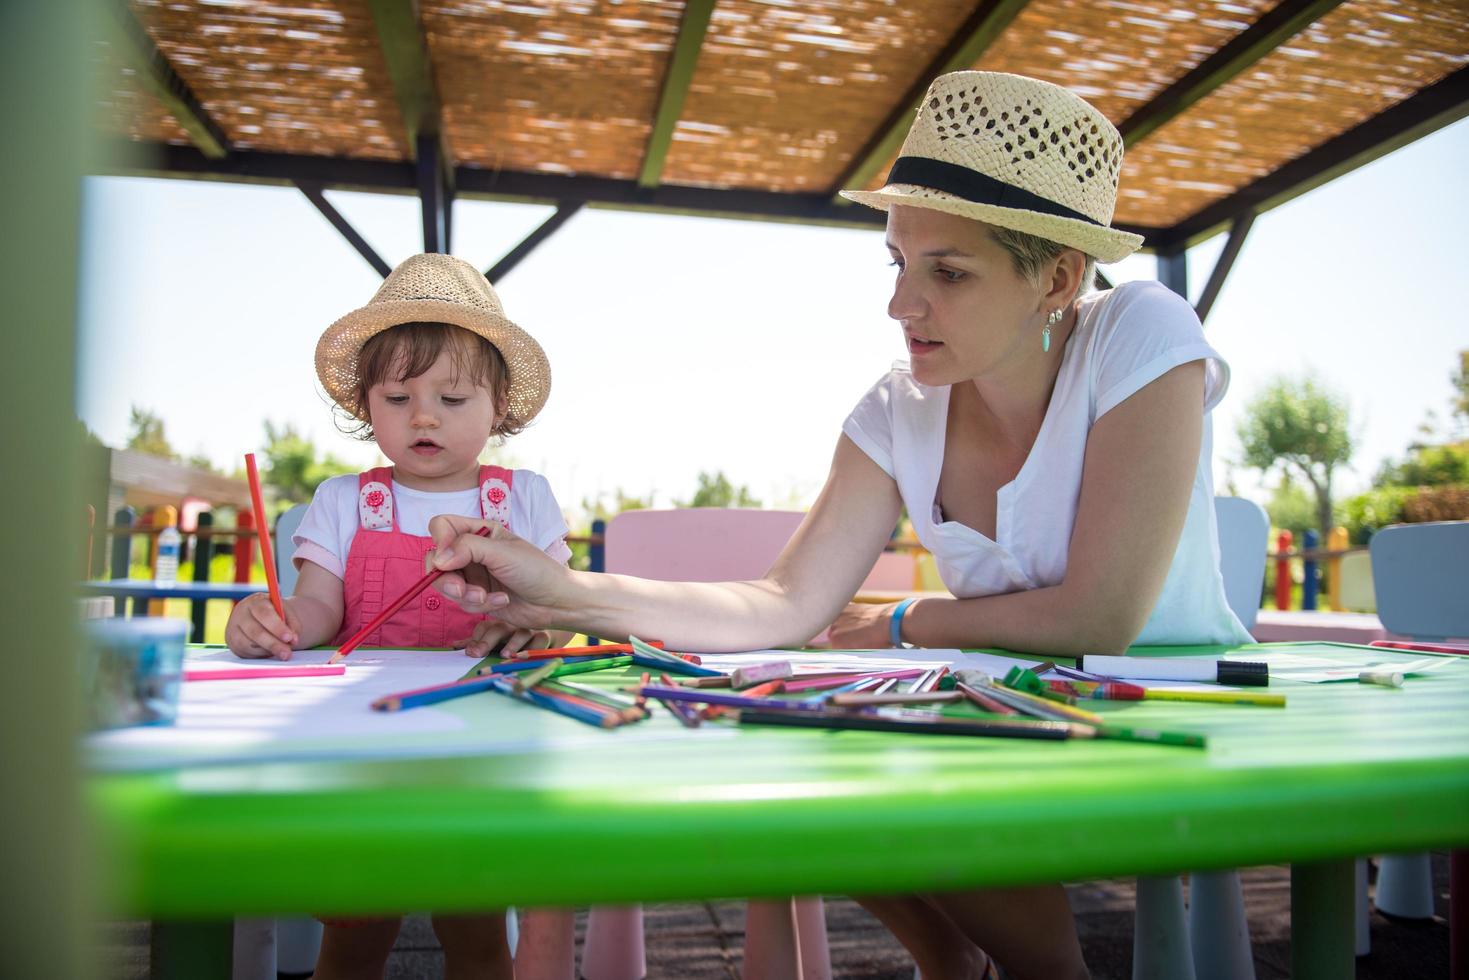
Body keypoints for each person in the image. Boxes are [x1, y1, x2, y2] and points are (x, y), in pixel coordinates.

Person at [424, 71, 1253, 980]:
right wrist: (566, 591)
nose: (901, 305)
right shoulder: (898, 406)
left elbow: (1101, 620)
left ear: (1056, 277)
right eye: (898, 263)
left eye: (948, 272)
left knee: (906, 767)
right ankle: (957, 961)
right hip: (1003, 716)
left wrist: (907, 621)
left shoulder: (1142, 328)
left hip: (1171, 717)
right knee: (794, 733)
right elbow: (781, 601)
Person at [224, 252, 577, 980]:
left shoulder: (526, 498)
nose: (423, 417)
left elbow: (562, 611)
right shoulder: (345, 500)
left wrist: (536, 628)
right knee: (355, 931)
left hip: (482, 737)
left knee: (476, 932)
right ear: (363, 405)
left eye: (452, 401)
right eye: (396, 398)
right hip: (363, 741)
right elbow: (318, 607)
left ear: (498, 403)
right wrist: (269, 615)